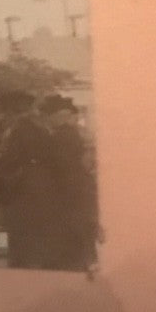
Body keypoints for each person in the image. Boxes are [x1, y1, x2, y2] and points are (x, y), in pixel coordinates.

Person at [0, 89, 56, 267]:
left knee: (20, 224)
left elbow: (12, 158)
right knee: (36, 225)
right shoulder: (41, 127)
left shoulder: (17, 130)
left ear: (11, 110)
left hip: (23, 182)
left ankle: (21, 263)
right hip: (43, 180)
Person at [40, 94, 99, 270]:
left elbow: (59, 165)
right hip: (78, 186)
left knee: (69, 229)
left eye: (48, 116)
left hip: (66, 188)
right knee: (79, 227)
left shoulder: (60, 136)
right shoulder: (73, 133)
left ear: (57, 116)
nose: (46, 120)